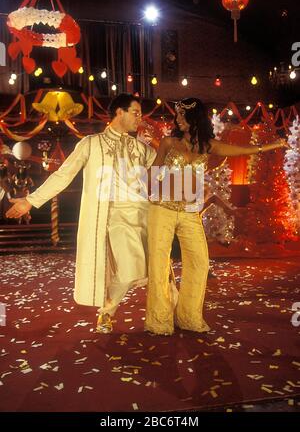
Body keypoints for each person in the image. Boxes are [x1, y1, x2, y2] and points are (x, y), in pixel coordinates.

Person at [6, 93, 156, 333]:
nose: (140, 118)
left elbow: (166, 171)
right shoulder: (91, 144)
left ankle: (163, 313)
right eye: (136, 113)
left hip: (142, 215)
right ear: (120, 112)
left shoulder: (142, 148)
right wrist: (32, 201)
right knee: (128, 270)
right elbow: (64, 175)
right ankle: (106, 312)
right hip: (111, 216)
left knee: (145, 270)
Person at [145, 97, 288, 335]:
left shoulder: (208, 145)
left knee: (199, 263)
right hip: (162, 208)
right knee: (159, 266)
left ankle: (188, 317)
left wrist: (273, 145)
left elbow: (241, 151)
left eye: (183, 115)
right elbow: (153, 171)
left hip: (190, 213)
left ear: (195, 118)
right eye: (177, 115)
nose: (178, 119)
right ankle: (159, 321)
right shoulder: (169, 142)